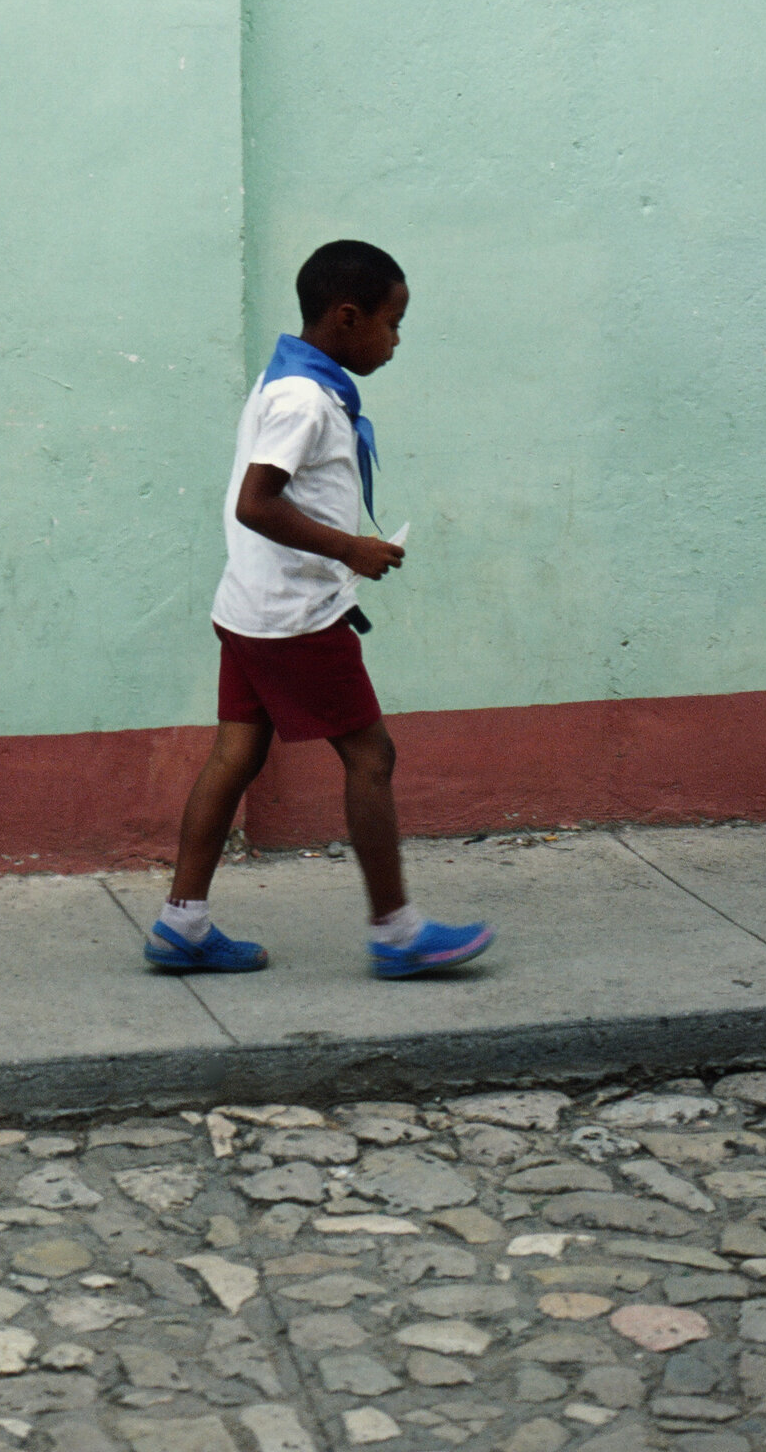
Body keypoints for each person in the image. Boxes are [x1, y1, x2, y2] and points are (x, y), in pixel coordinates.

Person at [144, 239, 494, 980]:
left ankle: (182, 923)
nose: (397, 340)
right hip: (295, 617)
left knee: (236, 754)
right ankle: (398, 933)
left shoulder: (292, 381)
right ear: (346, 318)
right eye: (392, 323)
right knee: (372, 756)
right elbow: (255, 503)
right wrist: (351, 549)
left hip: (251, 608)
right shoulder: (304, 399)